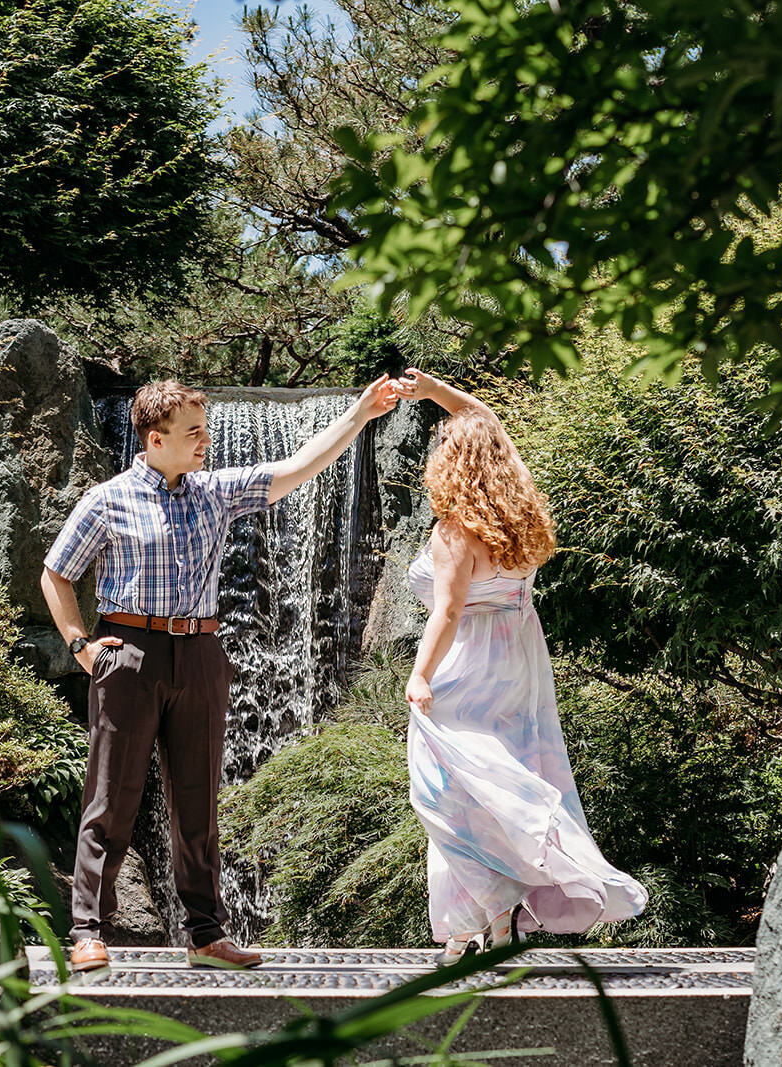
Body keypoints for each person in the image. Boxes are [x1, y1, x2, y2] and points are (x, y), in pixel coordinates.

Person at [41, 375, 400, 973]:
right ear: (156, 440)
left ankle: (206, 935)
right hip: (126, 653)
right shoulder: (107, 500)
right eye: (194, 432)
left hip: (202, 655)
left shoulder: (214, 492)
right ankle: (86, 932)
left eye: (206, 429)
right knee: (111, 799)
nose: (206, 441)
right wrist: (80, 645)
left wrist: (360, 415)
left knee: (198, 802)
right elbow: (55, 573)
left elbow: (297, 468)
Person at [391, 368, 648, 964]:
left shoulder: (457, 529)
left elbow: (449, 610)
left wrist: (421, 673)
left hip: (467, 664)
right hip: (520, 659)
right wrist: (437, 392)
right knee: (497, 783)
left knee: (446, 791)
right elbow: (489, 422)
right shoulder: (520, 512)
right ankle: (488, 922)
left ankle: (479, 916)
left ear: (450, 465)